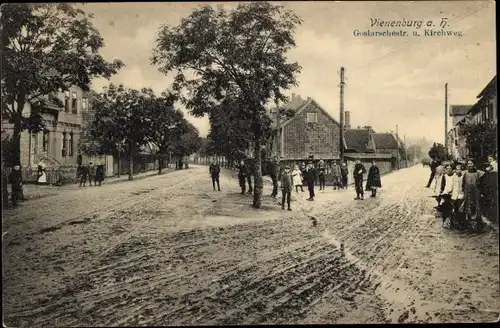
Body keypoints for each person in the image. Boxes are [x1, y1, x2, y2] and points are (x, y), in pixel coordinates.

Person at [460, 159, 485, 232]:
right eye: (469, 164)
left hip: (476, 192)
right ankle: (470, 227)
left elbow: (483, 181)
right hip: (468, 193)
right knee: (468, 208)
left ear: (474, 164)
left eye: (471, 164)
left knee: (477, 208)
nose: (470, 165)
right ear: (467, 165)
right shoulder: (465, 173)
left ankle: (478, 227)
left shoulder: (478, 172)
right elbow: (463, 183)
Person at [439, 163, 455, 228]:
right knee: (445, 208)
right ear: (446, 170)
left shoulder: (454, 176)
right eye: (447, 169)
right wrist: (441, 192)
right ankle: (445, 222)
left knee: (452, 208)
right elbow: (442, 186)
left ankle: (452, 222)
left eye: (450, 168)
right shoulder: (444, 176)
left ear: (452, 169)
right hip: (446, 193)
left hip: (453, 193)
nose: (449, 170)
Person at [450, 163, 466, 229]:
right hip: (454, 195)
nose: (458, 171)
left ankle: (461, 223)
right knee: (454, 209)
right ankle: (454, 223)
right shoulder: (454, 176)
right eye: (457, 169)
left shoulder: (463, 176)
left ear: (461, 170)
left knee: (461, 209)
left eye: (459, 169)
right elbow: (452, 185)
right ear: (455, 170)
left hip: (461, 195)